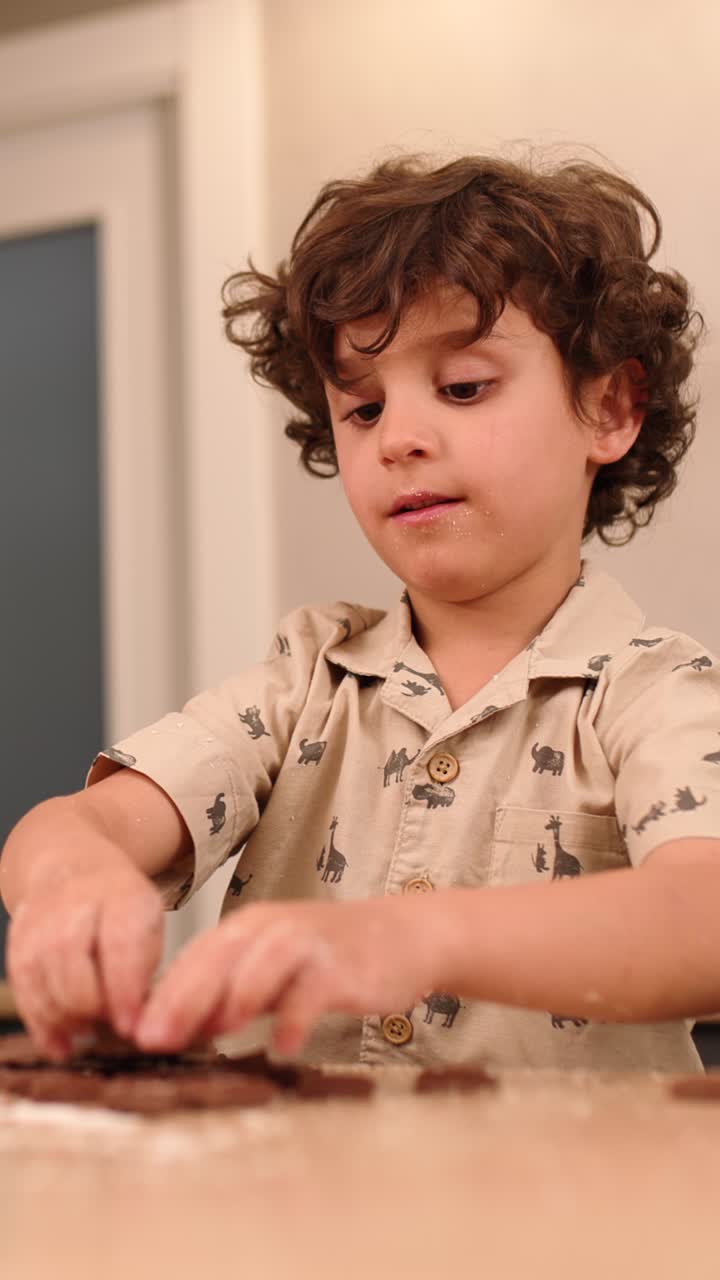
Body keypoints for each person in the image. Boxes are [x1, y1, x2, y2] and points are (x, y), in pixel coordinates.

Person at [2, 151, 720, 1075]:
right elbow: (75, 826)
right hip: (295, 1209)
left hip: (571, 1215)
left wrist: (410, 937)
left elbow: (703, 918)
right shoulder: (307, 682)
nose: (401, 440)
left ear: (610, 408)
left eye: (463, 388)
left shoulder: (653, 692)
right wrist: (73, 880)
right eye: (364, 409)